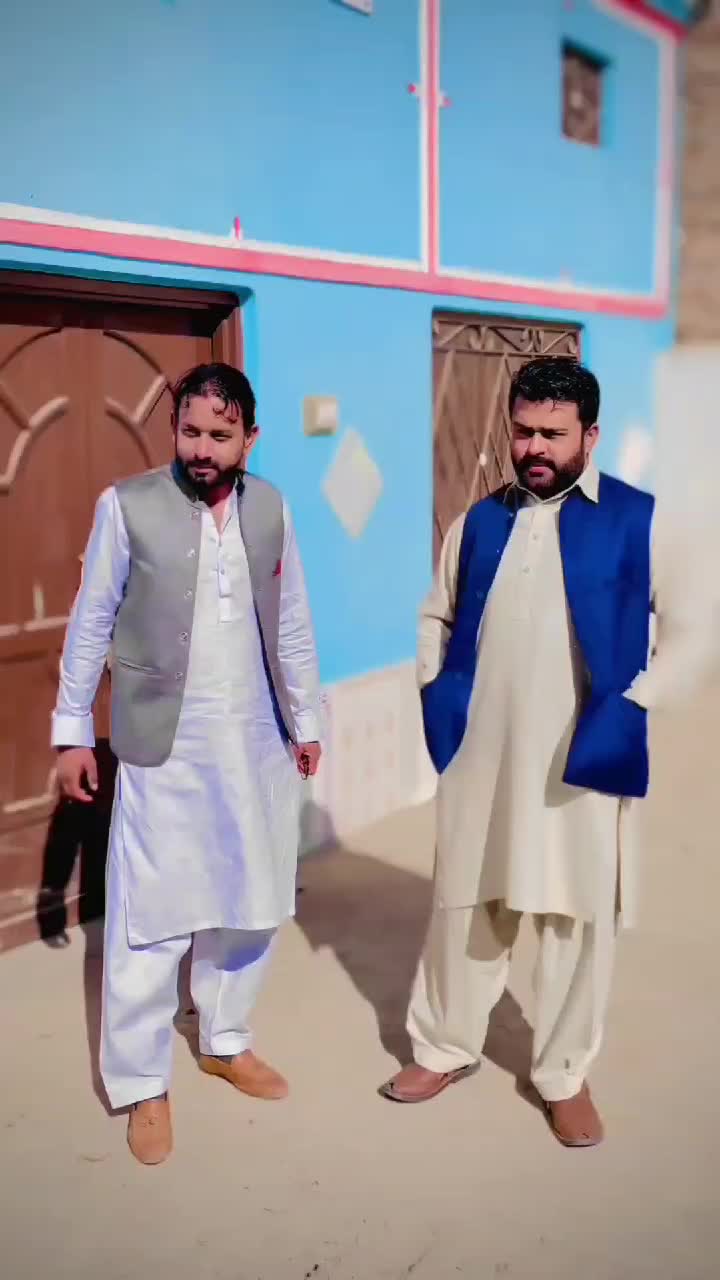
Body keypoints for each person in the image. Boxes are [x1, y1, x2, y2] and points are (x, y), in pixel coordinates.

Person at [380, 356, 707, 1146]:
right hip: (481, 760)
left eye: (553, 434)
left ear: (590, 435)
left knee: (573, 921)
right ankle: (444, 1046)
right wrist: (436, 693)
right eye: (523, 430)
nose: (534, 447)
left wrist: (636, 702)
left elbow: (697, 626)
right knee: (465, 908)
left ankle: (562, 1075)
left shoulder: (638, 520)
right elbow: (435, 617)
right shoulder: (479, 521)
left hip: (579, 763)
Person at [52, 362, 321, 1166]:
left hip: (257, 742)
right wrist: (72, 731)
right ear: (173, 429)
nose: (203, 448)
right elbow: (90, 621)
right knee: (152, 915)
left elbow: (293, 620)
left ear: (250, 438)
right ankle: (142, 1083)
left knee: (251, 897)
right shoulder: (126, 506)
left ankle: (224, 1037)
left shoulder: (271, 509)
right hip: (162, 746)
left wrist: (307, 720)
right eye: (191, 431)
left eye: (220, 435)